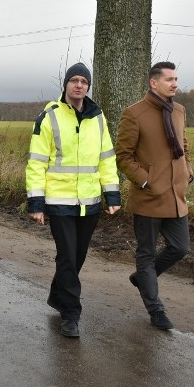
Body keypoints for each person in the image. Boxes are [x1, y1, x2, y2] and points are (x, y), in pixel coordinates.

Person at [25, 63, 121, 338]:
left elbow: (107, 158)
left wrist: (111, 194)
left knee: (77, 256)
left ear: (88, 86)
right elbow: (36, 162)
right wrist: (36, 202)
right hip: (59, 201)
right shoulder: (49, 116)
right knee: (67, 256)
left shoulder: (98, 117)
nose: (79, 85)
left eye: (84, 81)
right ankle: (71, 312)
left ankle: (58, 295)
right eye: (74, 80)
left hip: (89, 201)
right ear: (66, 84)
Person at [115, 61, 194, 330]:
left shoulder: (179, 111)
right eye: (169, 79)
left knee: (180, 247)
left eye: (176, 79)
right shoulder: (134, 114)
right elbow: (123, 156)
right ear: (154, 82)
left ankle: (142, 277)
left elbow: (183, 144)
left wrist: (188, 170)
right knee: (146, 254)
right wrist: (145, 179)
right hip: (149, 197)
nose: (175, 83)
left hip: (176, 196)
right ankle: (155, 309)